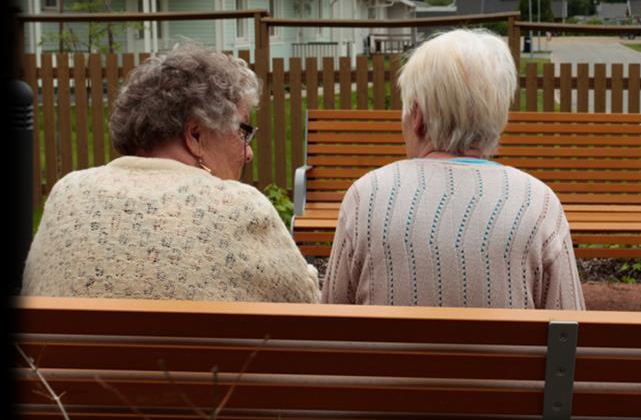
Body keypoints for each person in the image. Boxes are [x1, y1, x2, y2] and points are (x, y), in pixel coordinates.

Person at [22, 42, 320, 303]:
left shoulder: (67, 195)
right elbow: (306, 305)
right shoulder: (237, 208)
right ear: (195, 135)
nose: (249, 152)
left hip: (64, 369)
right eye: (243, 131)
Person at [321, 28, 585, 310]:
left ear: (418, 117)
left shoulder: (366, 197)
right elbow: (570, 331)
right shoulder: (538, 204)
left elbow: (330, 322)